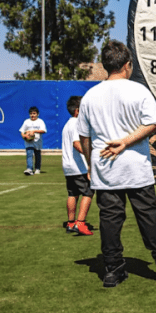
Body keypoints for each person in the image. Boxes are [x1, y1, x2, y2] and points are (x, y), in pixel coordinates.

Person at [77, 40, 156, 288]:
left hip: (105, 169)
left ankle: (112, 270)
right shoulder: (138, 90)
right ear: (126, 65)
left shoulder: (90, 96)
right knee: (148, 218)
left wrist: (91, 165)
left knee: (109, 220)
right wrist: (125, 142)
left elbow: (84, 136)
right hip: (136, 168)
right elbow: (154, 123)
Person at [61, 96, 94, 236]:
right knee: (89, 192)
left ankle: (71, 223)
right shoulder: (76, 123)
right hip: (78, 166)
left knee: (72, 194)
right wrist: (90, 158)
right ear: (77, 111)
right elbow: (77, 143)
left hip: (68, 167)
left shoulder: (67, 124)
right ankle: (80, 223)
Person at [19, 106, 46, 176]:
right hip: (29, 142)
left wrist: (33, 131)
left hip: (37, 142)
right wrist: (24, 136)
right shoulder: (26, 121)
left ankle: (37, 168)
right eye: (31, 113)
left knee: (37, 155)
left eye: (34, 113)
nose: (32, 115)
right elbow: (22, 130)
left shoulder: (40, 121)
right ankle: (29, 169)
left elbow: (43, 130)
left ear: (37, 114)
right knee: (29, 155)